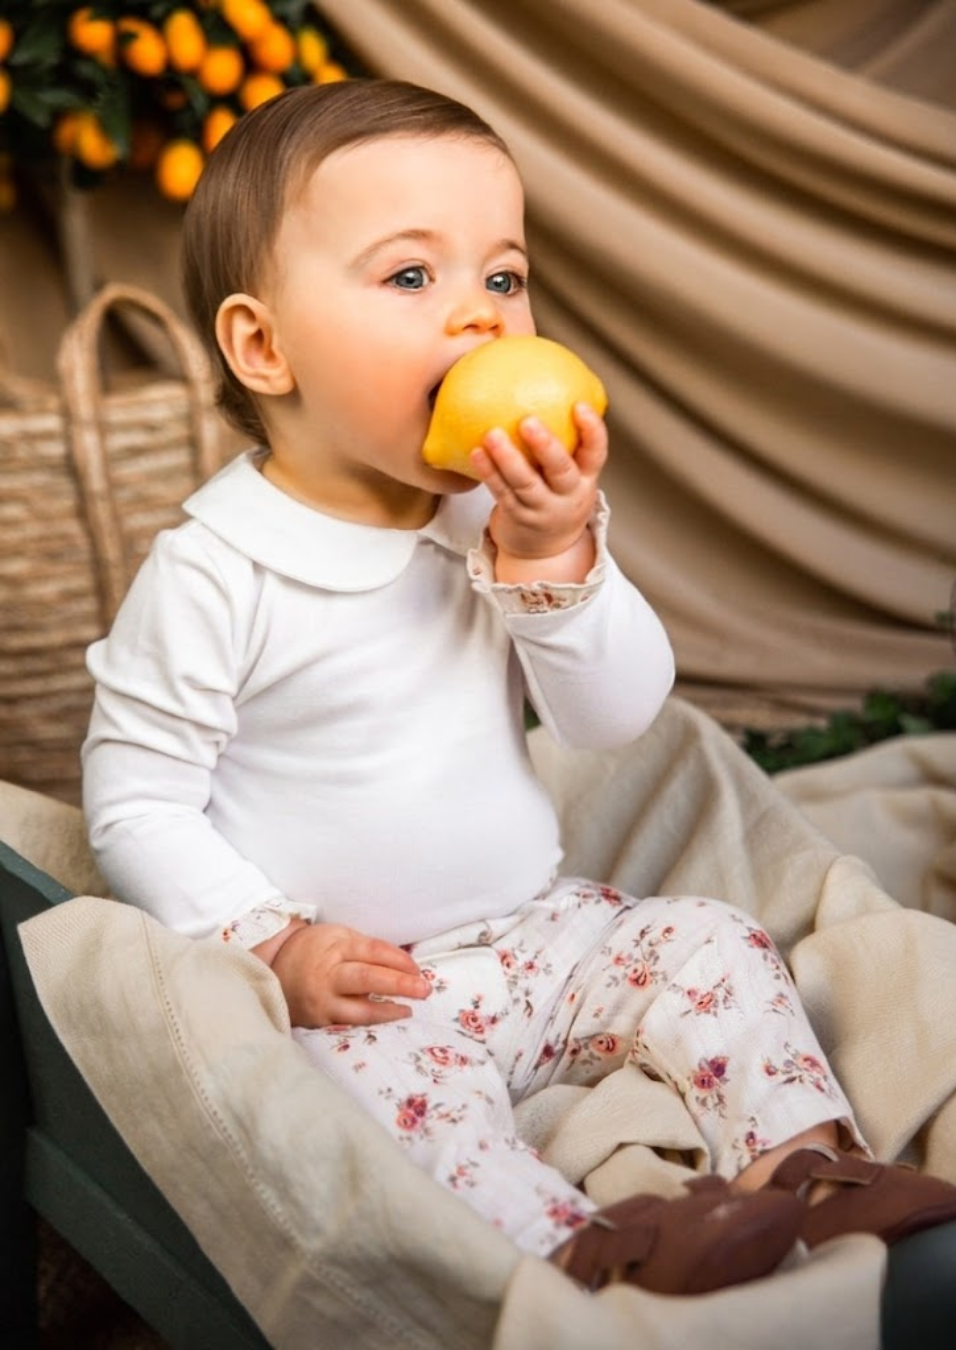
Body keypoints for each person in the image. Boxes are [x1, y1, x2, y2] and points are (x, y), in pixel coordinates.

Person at [82, 79, 956, 1295]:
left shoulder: (499, 513)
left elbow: (614, 716)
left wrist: (556, 563)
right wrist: (270, 946)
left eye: (502, 277)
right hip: (372, 993)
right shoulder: (215, 570)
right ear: (263, 346)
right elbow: (132, 798)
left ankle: (802, 1168)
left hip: (535, 934)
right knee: (379, 1106)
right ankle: (583, 1245)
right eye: (409, 278)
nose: (482, 321)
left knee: (704, 939)